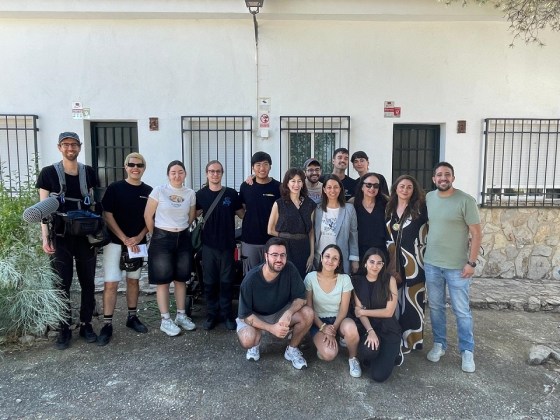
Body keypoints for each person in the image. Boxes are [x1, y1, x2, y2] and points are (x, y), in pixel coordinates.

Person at [36, 132, 98, 350]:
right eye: (66, 144)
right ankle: (64, 328)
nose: (70, 148)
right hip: (60, 236)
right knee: (62, 283)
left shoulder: (88, 172)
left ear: (80, 147)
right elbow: (42, 209)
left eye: (74, 144)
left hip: (85, 236)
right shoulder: (48, 173)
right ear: (59, 147)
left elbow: (93, 202)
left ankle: (86, 324)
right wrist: (45, 237)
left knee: (88, 282)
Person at [424, 162, 482, 373]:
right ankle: (439, 344)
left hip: (458, 267)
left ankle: (467, 351)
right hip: (432, 264)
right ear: (434, 179)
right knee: (436, 307)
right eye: (439, 175)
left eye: (447, 174)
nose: (443, 178)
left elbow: (476, 233)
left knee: (461, 311)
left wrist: (471, 263)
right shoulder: (429, 198)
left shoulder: (466, 200)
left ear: (453, 178)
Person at [97, 153, 152, 346]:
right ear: (125, 166)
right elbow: (107, 215)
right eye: (132, 164)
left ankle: (132, 317)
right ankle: (107, 324)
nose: (135, 168)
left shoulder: (149, 191)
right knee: (111, 283)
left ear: (144, 168)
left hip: (138, 244)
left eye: (139, 165)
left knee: (133, 281)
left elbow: (150, 218)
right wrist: (123, 238)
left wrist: (138, 237)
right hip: (114, 242)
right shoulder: (115, 188)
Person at [236, 237, 314, 369]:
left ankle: (292, 349)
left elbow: (301, 298)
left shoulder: (290, 269)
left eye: (282, 255)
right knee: (248, 340)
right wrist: (271, 328)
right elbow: (246, 315)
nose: (279, 259)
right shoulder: (250, 280)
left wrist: (289, 313)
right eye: (274, 255)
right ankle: (255, 343)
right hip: (256, 316)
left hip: (280, 312)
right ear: (266, 256)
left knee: (308, 313)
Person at [144, 160, 197, 336]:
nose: (177, 175)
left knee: (181, 279)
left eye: (180, 172)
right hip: (161, 239)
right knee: (163, 280)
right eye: (173, 172)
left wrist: (179, 230)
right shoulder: (159, 191)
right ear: (168, 175)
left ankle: (181, 315)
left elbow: (190, 217)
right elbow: (148, 215)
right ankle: (165, 320)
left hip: (183, 238)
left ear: (185, 174)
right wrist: (156, 235)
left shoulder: (190, 193)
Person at [196, 160, 245, 330]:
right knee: (209, 282)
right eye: (212, 171)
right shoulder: (200, 195)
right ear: (207, 173)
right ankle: (211, 315)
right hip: (208, 246)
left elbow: (242, 214)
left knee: (226, 281)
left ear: (222, 174)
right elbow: (190, 215)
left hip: (227, 246)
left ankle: (227, 314)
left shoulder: (230, 194)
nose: (215, 174)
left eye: (218, 171)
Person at [385, 175, 428, 357]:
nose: (405, 190)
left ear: (414, 190)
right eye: (401, 186)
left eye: (409, 187)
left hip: (415, 260)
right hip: (393, 260)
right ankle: (395, 337)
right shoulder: (389, 208)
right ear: (395, 189)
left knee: (412, 300)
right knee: (395, 299)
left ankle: (411, 340)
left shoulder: (421, 208)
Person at [304, 244, 361, 378]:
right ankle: (324, 342)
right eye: (327, 256)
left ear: (339, 262)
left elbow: (344, 309)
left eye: (335, 258)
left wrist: (333, 329)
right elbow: (309, 308)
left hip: (338, 320)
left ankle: (353, 358)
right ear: (321, 258)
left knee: (351, 329)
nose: (330, 261)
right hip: (317, 321)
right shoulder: (310, 277)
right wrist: (323, 327)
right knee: (329, 354)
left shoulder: (345, 279)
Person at [352, 247, 401, 383]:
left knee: (378, 376)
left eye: (379, 263)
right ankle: (376, 356)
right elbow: (359, 313)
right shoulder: (356, 281)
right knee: (368, 351)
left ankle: (394, 353)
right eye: (372, 262)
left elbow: (388, 312)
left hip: (388, 328)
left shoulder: (389, 280)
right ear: (365, 263)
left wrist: (363, 311)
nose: (375, 266)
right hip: (368, 327)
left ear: (383, 265)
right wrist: (370, 331)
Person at [268, 168, 316, 279]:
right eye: (293, 181)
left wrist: (312, 254)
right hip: (284, 247)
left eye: (299, 181)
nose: (296, 184)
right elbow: (270, 230)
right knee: (283, 278)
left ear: (303, 183)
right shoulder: (279, 204)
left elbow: (311, 231)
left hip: (303, 247)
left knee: (302, 279)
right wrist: (285, 236)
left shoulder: (310, 204)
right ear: (287, 183)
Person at [239, 152, 281, 272]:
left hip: (272, 240)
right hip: (250, 240)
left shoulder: (278, 187)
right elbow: (242, 209)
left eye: (265, 164)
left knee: (272, 273)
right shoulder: (245, 186)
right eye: (258, 165)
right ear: (253, 167)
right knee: (251, 275)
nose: (262, 168)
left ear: (270, 166)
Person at [313, 174, 359, 274]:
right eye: (329, 187)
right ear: (324, 189)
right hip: (320, 258)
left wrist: (355, 259)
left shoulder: (349, 209)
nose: (332, 190)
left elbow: (353, 235)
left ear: (340, 189)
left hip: (340, 258)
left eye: (336, 187)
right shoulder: (317, 209)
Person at [352, 173, 389, 261]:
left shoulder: (386, 204)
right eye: (368, 185)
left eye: (376, 186)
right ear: (362, 187)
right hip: (359, 252)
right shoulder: (353, 204)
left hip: (381, 253)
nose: (372, 188)